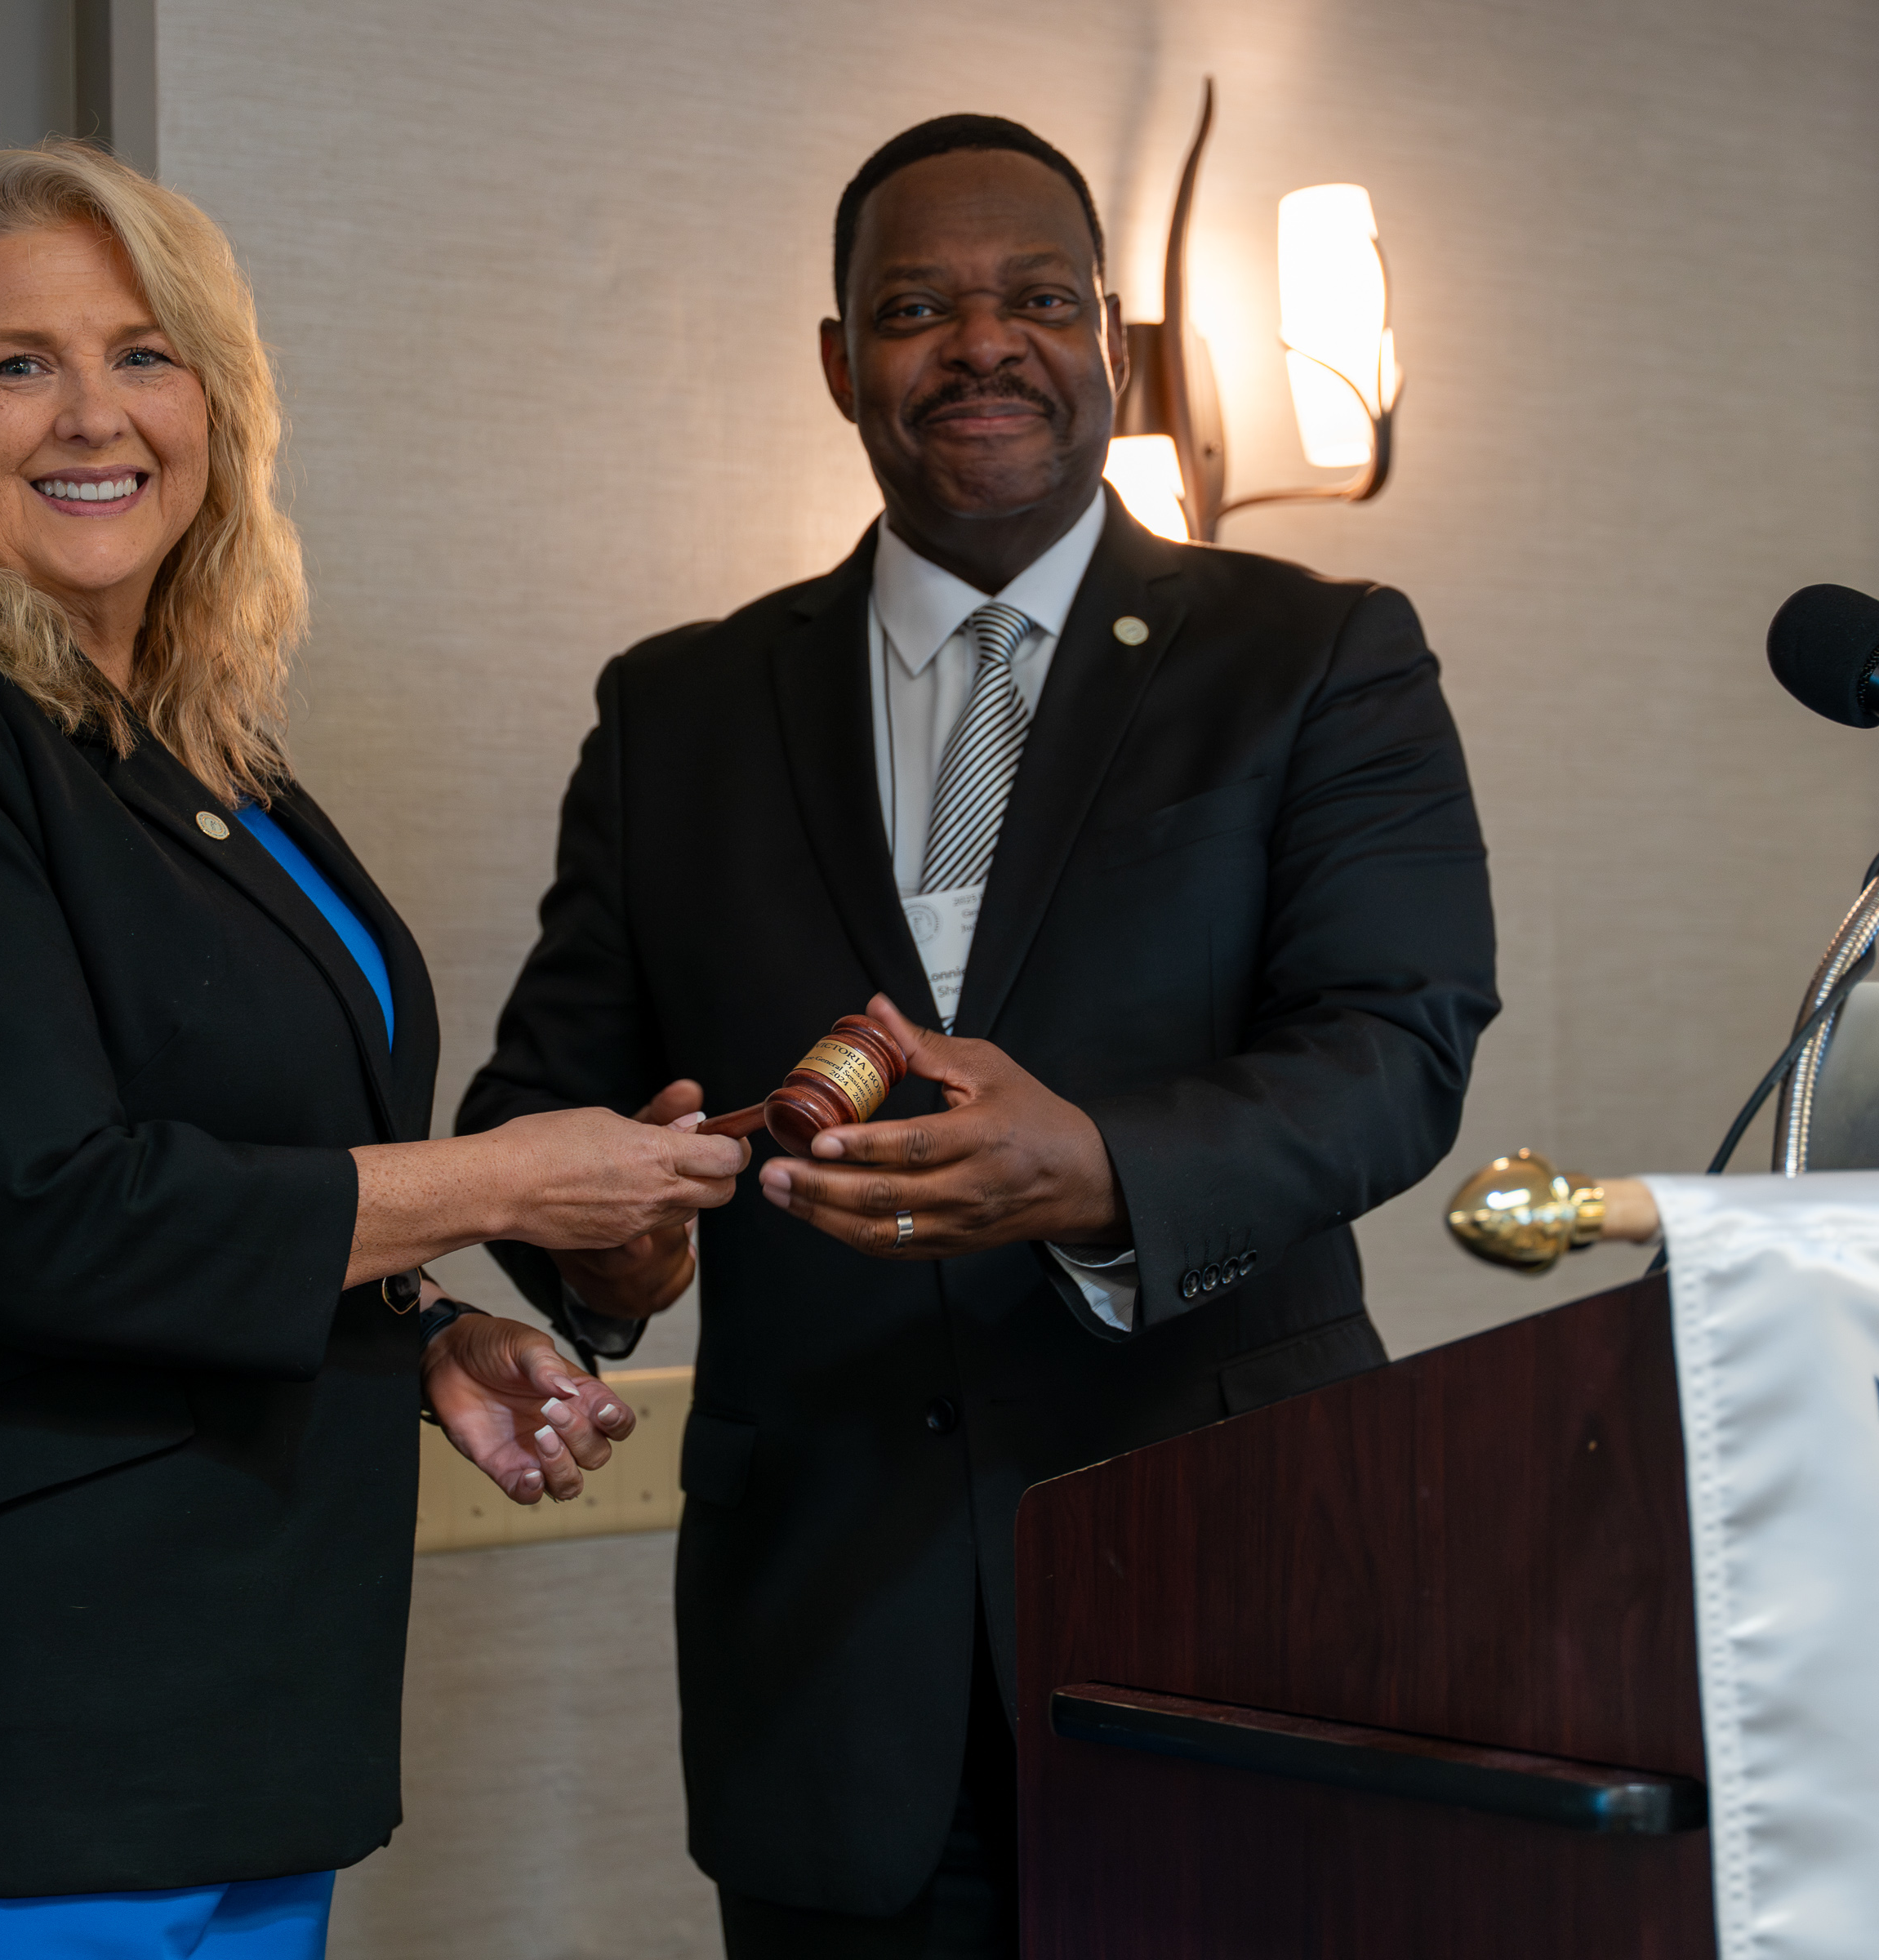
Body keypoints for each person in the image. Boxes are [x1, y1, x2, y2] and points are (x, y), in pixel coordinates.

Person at [0, 141, 748, 1960]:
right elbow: (38, 1213)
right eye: (18, 364)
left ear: (217, 406)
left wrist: (427, 1327)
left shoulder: (211, 757)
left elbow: (224, 1176)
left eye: (146, 354)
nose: (96, 414)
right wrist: (521, 1179)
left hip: (223, 1719)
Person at [458, 114, 1498, 1958]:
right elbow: (549, 1101)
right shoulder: (680, 706)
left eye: (1034, 299)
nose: (980, 344)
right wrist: (599, 1253)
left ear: (1109, 337)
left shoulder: (1316, 651)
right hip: (829, 1654)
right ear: (841, 359)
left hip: (1232, 1598)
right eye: (916, 305)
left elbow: (1395, 1045)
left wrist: (1103, 1171)